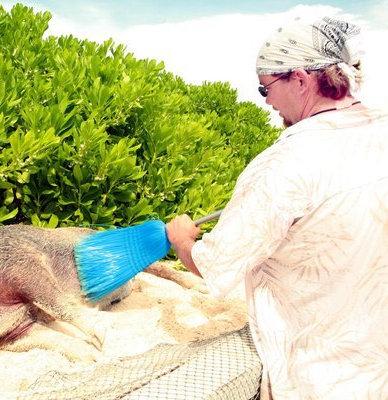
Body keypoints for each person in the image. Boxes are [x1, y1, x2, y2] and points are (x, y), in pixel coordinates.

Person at [166, 15, 388, 399]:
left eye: (264, 88)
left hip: (320, 378)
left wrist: (181, 239)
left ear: (300, 79)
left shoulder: (283, 164)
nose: (267, 102)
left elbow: (216, 267)